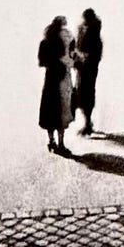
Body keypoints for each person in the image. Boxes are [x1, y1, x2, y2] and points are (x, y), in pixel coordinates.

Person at [37, 15, 74, 154]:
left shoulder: (44, 42)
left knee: (49, 111)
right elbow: (68, 59)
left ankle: (51, 142)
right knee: (61, 112)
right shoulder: (61, 42)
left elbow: (41, 62)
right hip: (61, 77)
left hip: (49, 79)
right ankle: (61, 144)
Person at [72, 9, 103, 136]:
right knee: (82, 93)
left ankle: (87, 123)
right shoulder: (84, 30)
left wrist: (82, 58)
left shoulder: (93, 33)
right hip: (83, 68)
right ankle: (87, 123)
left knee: (86, 94)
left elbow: (95, 54)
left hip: (88, 68)